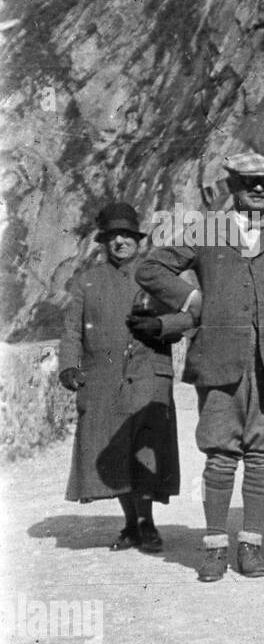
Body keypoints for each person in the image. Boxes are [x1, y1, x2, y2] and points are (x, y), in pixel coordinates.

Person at [136, 152, 264, 582]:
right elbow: (152, 268)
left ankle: (251, 547)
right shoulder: (208, 230)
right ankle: (215, 548)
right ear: (232, 186)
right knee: (221, 457)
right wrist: (191, 300)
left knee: (262, 458)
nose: (257, 189)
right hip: (220, 360)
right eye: (248, 182)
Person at [59, 203, 189, 553]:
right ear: (103, 242)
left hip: (148, 373)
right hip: (103, 379)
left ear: (137, 239)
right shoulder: (86, 281)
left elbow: (187, 317)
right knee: (111, 453)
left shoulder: (155, 274)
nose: (120, 242)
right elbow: (72, 330)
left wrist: (161, 327)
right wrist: (69, 366)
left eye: (126, 235)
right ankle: (131, 524)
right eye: (113, 237)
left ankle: (146, 523)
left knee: (145, 451)